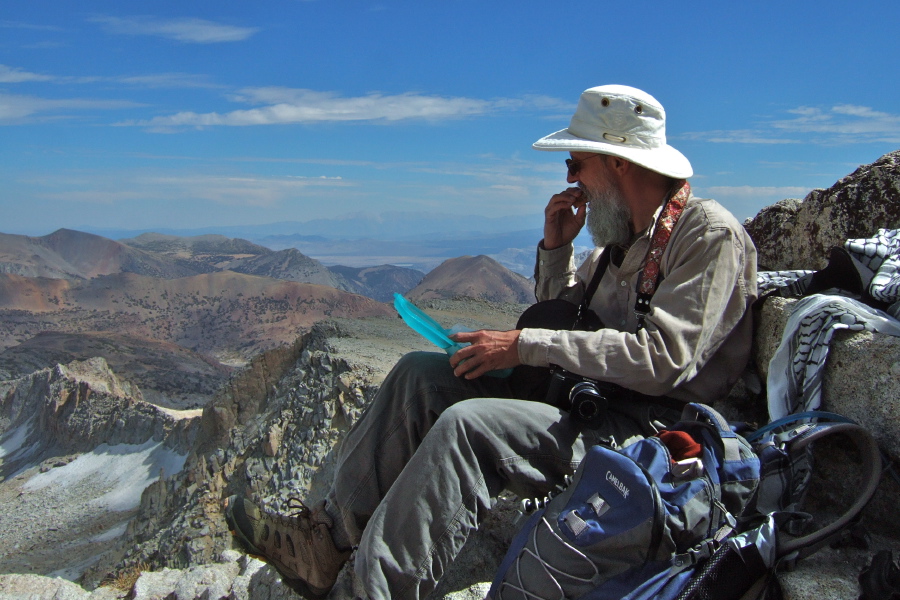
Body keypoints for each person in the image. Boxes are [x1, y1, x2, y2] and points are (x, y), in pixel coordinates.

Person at [224, 84, 758, 600]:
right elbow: (569, 321)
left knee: (467, 427)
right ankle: (325, 544)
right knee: (420, 375)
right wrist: (554, 250)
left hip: (650, 433)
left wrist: (524, 345)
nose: (570, 179)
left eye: (576, 164)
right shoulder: (617, 248)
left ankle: (375, 591)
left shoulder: (706, 235)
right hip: (587, 401)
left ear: (617, 161)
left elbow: (664, 361)